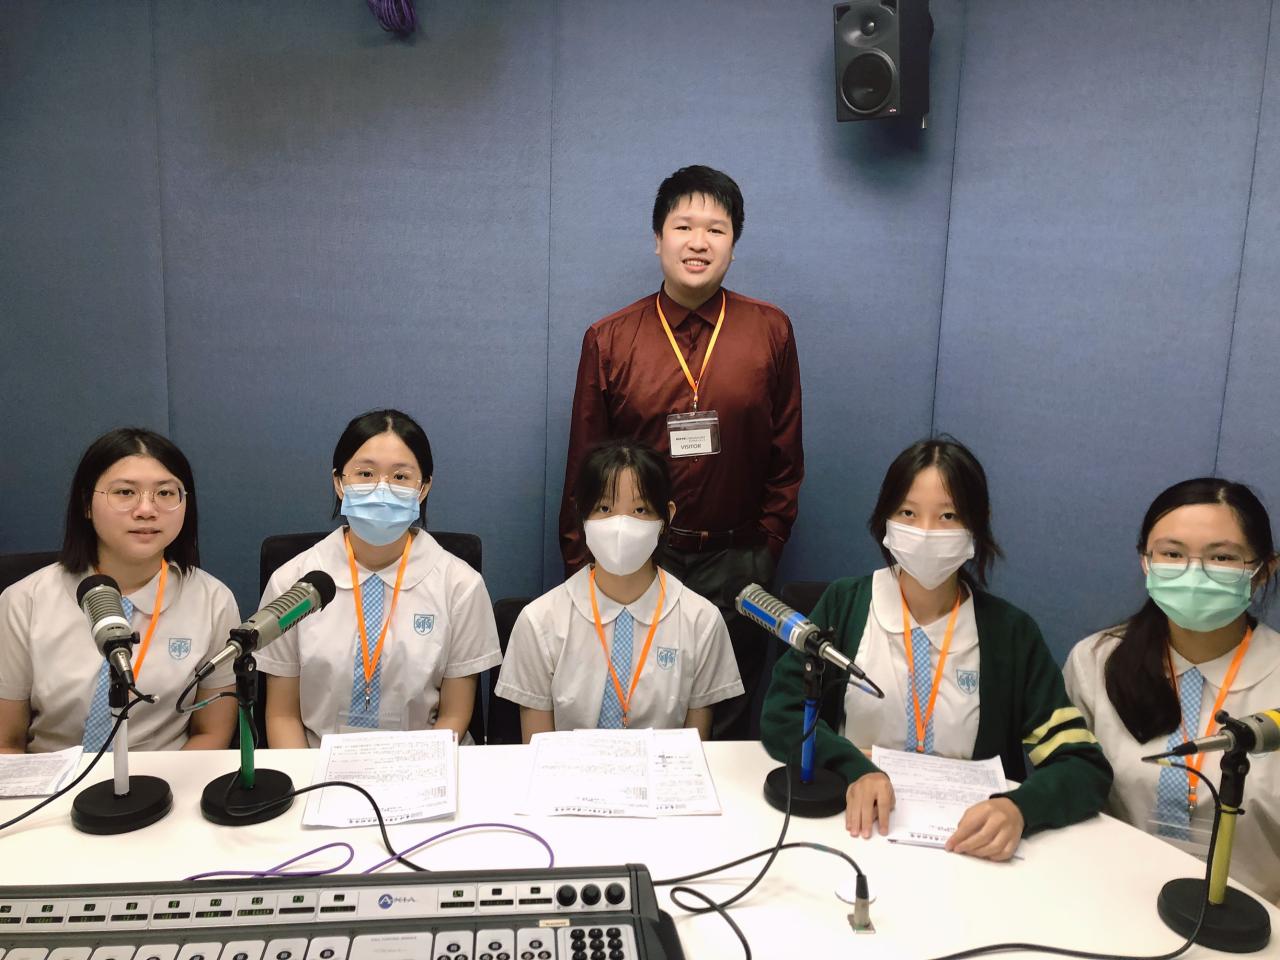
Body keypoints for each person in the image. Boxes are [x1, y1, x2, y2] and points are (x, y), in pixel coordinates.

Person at [761, 437, 1112, 861]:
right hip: (855, 834)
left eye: (948, 516)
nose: (926, 532)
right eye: (908, 513)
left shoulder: (1010, 633)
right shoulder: (845, 604)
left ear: (977, 525)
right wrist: (853, 767)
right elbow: (782, 716)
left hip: (968, 848)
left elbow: (1081, 764)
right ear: (885, 520)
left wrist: (1020, 809)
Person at [559, 164, 803, 739]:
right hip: (637, 559)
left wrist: (765, 549)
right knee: (641, 705)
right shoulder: (610, 338)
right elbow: (584, 468)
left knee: (727, 722)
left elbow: (786, 453)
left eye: (716, 229)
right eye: (684, 226)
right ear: (658, 238)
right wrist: (585, 566)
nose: (699, 242)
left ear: (734, 245)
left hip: (738, 560)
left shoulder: (770, 331)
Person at [1064, 478, 1279, 904]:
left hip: (1256, 918)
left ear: (1263, 571)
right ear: (1146, 561)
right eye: (1172, 554)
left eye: (1222, 557)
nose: (1193, 573)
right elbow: (1072, 788)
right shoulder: (1096, 662)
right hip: (1110, 899)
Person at [258, 409, 501, 747]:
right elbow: (282, 715)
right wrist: (307, 777)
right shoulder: (293, 582)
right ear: (339, 483)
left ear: (423, 488)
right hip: (317, 762)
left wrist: (418, 772)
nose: (381, 489)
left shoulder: (460, 585)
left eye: (400, 477)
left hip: (425, 760)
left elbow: (455, 715)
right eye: (365, 473)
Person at [0, 428, 238, 753]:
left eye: (165, 493)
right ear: (86, 504)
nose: (146, 509)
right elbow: (6, 741)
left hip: (165, 778)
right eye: (125, 492)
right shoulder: (24, 601)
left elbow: (211, 733)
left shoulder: (213, 600)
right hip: (54, 777)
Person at [498, 439, 743, 741]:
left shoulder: (701, 621)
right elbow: (537, 748)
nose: (621, 526)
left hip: (662, 771)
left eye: (640, 509)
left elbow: (694, 747)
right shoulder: (539, 621)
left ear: (666, 517)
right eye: (604, 508)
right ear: (581, 514)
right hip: (569, 771)